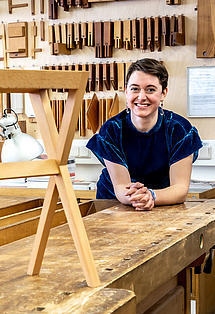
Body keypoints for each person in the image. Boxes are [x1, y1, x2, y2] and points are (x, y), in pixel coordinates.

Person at [86, 58, 203, 211]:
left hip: (163, 202)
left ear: (163, 93)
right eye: (135, 89)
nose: (141, 97)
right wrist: (138, 197)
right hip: (114, 204)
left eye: (150, 89)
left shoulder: (180, 129)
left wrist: (152, 196)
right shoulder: (111, 130)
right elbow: (121, 186)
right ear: (126, 92)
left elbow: (180, 189)